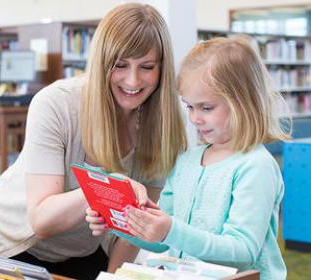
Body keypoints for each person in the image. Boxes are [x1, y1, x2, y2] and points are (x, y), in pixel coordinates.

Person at [0, 3, 187, 279]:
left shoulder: (163, 127)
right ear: (102, 62)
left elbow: (134, 230)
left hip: (82, 248)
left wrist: (111, 276)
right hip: (12, 241)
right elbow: (42, 219)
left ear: (162, 68)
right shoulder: (56, 103)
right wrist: (110, 189)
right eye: (120, 65)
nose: (133, 80)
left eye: (146, 67)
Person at [87, 36, 290, 279]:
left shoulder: (256, 166)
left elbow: (243, 251)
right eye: (190, 107)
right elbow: (163, 242)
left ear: (243, 103)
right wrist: (122, 223)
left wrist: (170, 229)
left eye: (206, 108)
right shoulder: (186, 162)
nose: (195, 119)